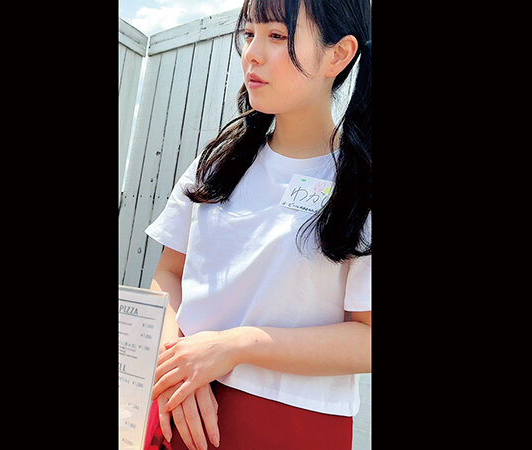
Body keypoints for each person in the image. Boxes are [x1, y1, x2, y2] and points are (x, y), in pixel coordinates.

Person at [143, 0, 371, 448]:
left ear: (339, 54)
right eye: (249, 34)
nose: (252, 53)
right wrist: (174, 365)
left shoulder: (359, 182)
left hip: (291, 425)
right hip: (178, 409)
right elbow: (168, 273)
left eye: (277, 36)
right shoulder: (218, 162)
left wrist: (237, 345)